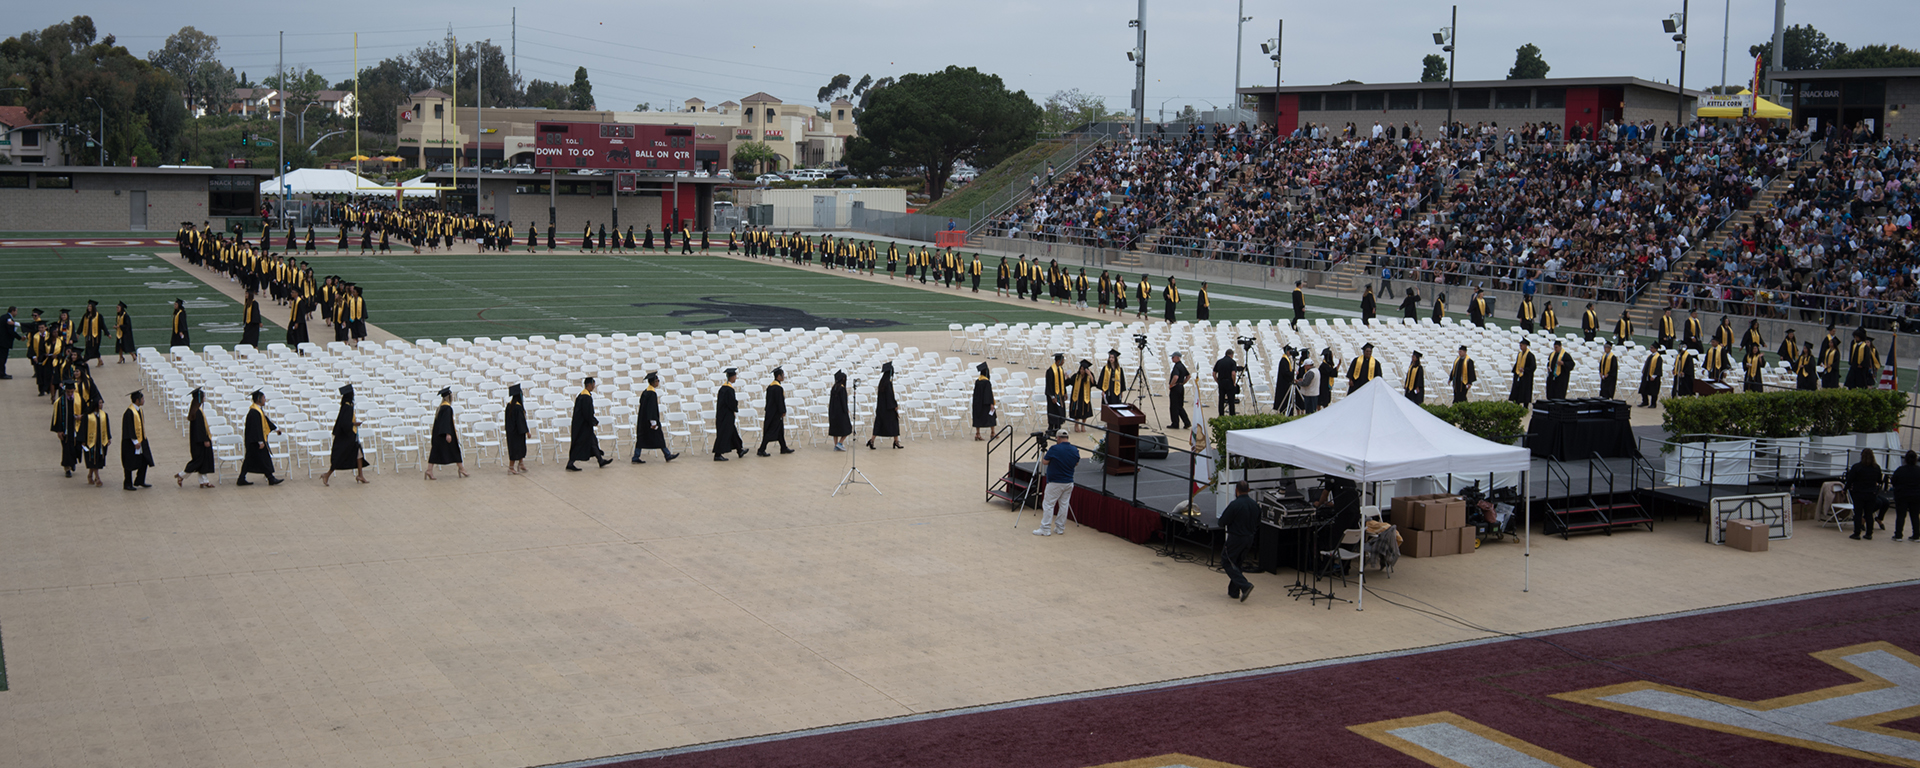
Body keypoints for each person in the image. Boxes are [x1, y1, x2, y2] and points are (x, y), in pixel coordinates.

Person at [321, 385, 369, 486]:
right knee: (340, 457)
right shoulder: (347, 407)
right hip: (345, 437)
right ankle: (327, 475)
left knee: (358, 453)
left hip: (350, 435)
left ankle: (360, 475)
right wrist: (356, 424)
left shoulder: (347, 405)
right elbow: (345, 424)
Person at [1034, 429, 1079, 536]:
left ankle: (1045, 528)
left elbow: (1044, 462)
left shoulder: (1054, 448)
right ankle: (1060, 528)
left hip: (1055, 481)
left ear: (1058, 438)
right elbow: (1076, 463)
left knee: (1049, 504)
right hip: (1068, 481)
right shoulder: (1074, 449)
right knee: (1064, 504)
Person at [1219, 480, 1259, 601]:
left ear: (1236, 490)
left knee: (1226, 561)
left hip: (1236, 537)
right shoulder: (1255, 505)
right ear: (1249, 490)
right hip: (1249, 538)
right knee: (1237, 563)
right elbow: (1258, 522)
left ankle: (1245, 585)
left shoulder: (1235, 505)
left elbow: (1222, 522)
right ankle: (1233, 591)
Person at [237, 389, 283, 486]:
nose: (265, 400)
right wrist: (260, 441)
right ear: (259, 399)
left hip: (255, 441)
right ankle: (270, 478)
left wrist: (275, 429)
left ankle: (242, 478)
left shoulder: (258, 410)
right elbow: (255, 429)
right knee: (261, 459)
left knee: (253, 459)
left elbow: (265, 421)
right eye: (264, 398)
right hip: (254, 441)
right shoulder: (254, 412)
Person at [567, 377, 612, 470]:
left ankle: (600, 460)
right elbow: (587, 413)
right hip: (582, 426)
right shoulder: (585, 397)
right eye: (593, 385)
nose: (594, 387)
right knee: (579, 443)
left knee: (593, 443)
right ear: (589, 385)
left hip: (583, 424)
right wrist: (593, 421)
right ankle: (570, 463)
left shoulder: (583, 395)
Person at [631, 373, 678, 463]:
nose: (658, 382)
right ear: (654, 382)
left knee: (641, 438)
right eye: (657, 381)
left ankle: (636, 457)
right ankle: (667, 455)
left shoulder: (645, 392)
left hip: (643, 420)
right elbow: (651, 409)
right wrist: (653, 422)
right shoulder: (651, 394)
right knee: (658, 437)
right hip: (650, 421)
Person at [176, 387, 216, 488]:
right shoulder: (197, 412)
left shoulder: (196, 410)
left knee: (203, 461)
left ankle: (204, 481)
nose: (204, 399)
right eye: (203, 397)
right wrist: (205, 440)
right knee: (197, 461)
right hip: (200, 441)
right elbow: (200, 429)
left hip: (197, 440)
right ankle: (181, 475)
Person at [426, 387, 467, 479]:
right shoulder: (447, 408)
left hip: (438, 434)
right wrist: (448, 434)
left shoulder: (441, 407)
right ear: (450, 397)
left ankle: (429, 470)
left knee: (435, 452)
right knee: (455, 451)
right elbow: (445, 422)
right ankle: (461, 468)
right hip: (445, 434)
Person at [1847, 448, 1884, 541]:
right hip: (1871, 493)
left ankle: (1857, 532)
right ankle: (1869, 533)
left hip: (1858, 492)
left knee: (1858, 513)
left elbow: (1850, 479)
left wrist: (1845, 488)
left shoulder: (1857, 467)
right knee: (1869, 514)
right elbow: (1879, 480)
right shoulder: (1876, 468)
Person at [756, 367, 794, 457]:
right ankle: (761, 449)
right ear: (778, 376)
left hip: (770, 412)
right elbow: (779, 402)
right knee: (771, 431)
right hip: (775, 414)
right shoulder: (777, 388)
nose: (784, 376)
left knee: (780, 431)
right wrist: (783, 411)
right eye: (782, 375)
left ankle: (783, 447)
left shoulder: (771, 387)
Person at [712, 368, 747, 461]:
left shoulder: (724, 388)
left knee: (733, 433)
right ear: (731, 377)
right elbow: (731, 403)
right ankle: (717, 454)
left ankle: (740, 450)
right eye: (735, 376)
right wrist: (734, 409)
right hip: (726, 416)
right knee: (724, 434)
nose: (736, 378)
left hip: (723, 415)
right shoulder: (728, 389)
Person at [120, 390, 153, 490]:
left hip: (141, 440)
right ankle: (127, 483)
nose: (144, 400)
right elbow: (128, 428)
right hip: (130, 442)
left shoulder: (139, 410)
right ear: (137, 400)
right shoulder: (129, 413)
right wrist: (135, 441)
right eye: (142, 399)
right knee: (129, 463)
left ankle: (139, 480)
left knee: (145, 460)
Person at [867, 361, 903, 449]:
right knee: (894, 424)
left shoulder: (882, 382)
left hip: (881, 408)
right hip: (888, 408)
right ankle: (896, 441)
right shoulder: (888, 383)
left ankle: (872, 440)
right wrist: (895, 406)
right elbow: (890, 396)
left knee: (879, 424)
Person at [50, 379, 81, 478]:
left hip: (76, 429)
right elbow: (57, 417)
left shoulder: (78, 400)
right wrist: (59, 431)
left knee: (75, 447)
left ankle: (73, 463)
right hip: (65, 429)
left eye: (72, 392)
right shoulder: (60, 402)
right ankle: (67, 468)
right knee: (66, 449)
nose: (70, 394)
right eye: (68, 392)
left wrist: (82, 416)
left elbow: (85, 410)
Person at [79, 396, 110, 487]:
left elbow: (107, 427)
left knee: (97, 459)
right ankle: (97, 478)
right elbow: (83, 429)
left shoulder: (104, 415)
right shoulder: (87, 417)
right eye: (100, 403)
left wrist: (108, 437)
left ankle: (90, 475)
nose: (101, 405)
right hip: (90, 442)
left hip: (100, 442)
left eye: (102, 403)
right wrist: (83, 440)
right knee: (93, 459)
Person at [1891, 450, 1920, 542]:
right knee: (1915, 515)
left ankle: (1898, 535)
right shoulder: (1918, 470)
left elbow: (1893, 481)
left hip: (1902, 495)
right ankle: (1916, 535)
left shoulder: (1900, 470)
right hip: (1916, 495)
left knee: (1900, 515)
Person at [504, 384, 531, 474]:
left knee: (517, 448)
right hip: (517, 432)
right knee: (517, 449)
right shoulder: (517, 407)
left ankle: (521, 464)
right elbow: (521, 422)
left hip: (511, 432)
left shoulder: (509, 406)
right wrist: (527, 432)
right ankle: (511, 467)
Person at [828, 370, 854, 451]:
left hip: (833, 411)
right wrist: (846, 410)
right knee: (847, 428)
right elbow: (843, 401)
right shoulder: (842, 389)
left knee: (835, 429)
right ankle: (840, 443)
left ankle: (836, 444)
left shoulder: (834, 388)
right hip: (841, 412)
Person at [1166, 352, 1192, 430]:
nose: (1172, 359)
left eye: (1173, 357)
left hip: (1176, 388)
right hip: (1180, 387)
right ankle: (1186, 422)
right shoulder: (1182, 366)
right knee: (1180, 406)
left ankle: (1175, 423)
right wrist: (1182, 383)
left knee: (1174, 406)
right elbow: (1188, 376)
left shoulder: (1177, 367)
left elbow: (1176, 377)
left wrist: (1171, 384)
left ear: (1177, 357)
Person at [1044, 353, 1069, 433]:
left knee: (1059, 411)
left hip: (1060, 395)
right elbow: (1049, 385)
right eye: (1063, 360)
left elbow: (1062, 383)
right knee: (1053, 411)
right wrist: (1052, 397)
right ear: (1058, 360)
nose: (1063, 362)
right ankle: (1051, 428)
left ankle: (1058, 427)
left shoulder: (1061, 369)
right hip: (1053, 396)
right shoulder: (1050, 371)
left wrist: (1065, 392)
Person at [1067, 359, 1095, 431]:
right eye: (1080, 369)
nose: (1081, 371)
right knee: (1077, 410)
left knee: (1085, 410)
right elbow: (1069, 382)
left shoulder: (1089, 377)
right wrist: (1067, 377)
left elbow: (1094, 383)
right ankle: (1076, 425)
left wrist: (1090, 374)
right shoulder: (1076, 376)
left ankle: (1083, 425)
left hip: (1085, 397)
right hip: (1077, 396)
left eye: (1083, 369)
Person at [1213, 347, 1240, 416]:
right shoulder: (1232, 362)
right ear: (1231, 355)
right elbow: (1233, 373)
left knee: (1221, 399)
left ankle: (1221, 415)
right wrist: (1234, 382)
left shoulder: (1219, 361)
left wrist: (1217, 381)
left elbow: (1214, 373)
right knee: (1231, 400)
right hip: (1229, 382)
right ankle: (1232, 415)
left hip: (1221, 382)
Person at [1508, 340, 1537, 405]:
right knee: (1517, 391)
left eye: (1521, 345)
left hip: (1526, 377)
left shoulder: (1530, 355)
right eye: (1520, 346)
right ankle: (1516, 404)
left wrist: (1525, 370)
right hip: (1518, 375)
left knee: (1525, 392)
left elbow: (1533, 366)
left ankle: (1525, 406)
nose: (1520, 347)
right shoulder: (1519, 354)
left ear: (1525, 345)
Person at [77, 300, 104, 366]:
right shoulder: (86, 316)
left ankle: (85, 361)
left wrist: (108, 333)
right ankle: (100, 360)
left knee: (91, 348)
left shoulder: (98, 316)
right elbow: (81, 325)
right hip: (88, 335)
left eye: (90, 306)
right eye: (88, 306)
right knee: (91, 348)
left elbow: (103, 325)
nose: (89, 307)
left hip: (96, 336)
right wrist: (78, 333)